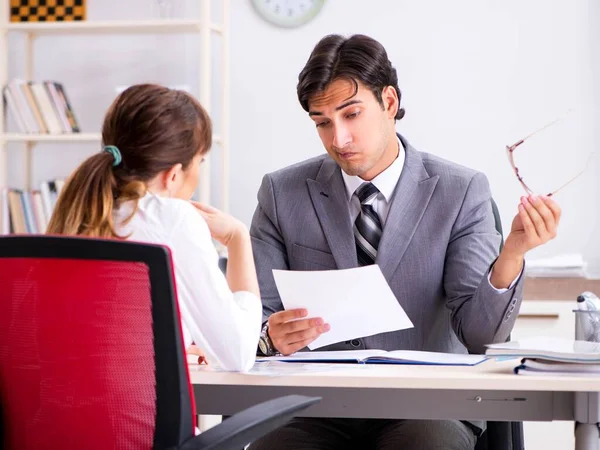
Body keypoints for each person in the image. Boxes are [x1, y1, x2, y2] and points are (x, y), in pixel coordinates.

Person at [249, 34, 562, 449]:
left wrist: (513, 254)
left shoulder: (461, 189)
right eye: (322, 122)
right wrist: (270, 335)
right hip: (314, 406)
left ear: (390, 103)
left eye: (351, 114)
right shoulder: (281, 192)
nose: (338, 139)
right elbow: (253, 321)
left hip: (428, 405)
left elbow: (479, 336)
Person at [47, 83, 262, 372]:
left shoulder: (79, 212)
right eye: (199, 161)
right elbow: (238, 355)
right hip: (136, 418)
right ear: (173, 175)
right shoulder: (173, 219)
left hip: (56, 417)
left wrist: (181, 340)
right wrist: (238, 239)